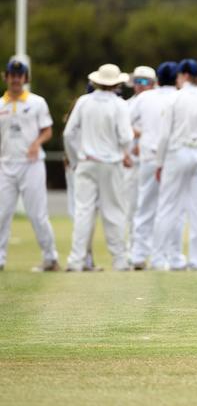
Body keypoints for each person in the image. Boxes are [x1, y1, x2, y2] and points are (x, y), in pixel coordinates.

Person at [152, 59, 197, 271]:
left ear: (182, 75)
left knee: (167, 207)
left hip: (177, 152)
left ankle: (159, 259)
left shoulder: (175, 99)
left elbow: (164, 135)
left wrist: (159, 162)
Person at [63, 63, 133, 271]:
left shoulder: (84, 102)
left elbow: (68, 134)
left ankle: (76, 261)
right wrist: (123, 153)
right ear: (116, 84)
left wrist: (76, 159)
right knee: (114, 213)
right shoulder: (119, 104)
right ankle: (119, 261)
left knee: (83, 212)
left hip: (86, 162)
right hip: (111, 164)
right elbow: (126, 137)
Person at [0, 57, 59, 271]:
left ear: (25, 78)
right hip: (5, 165)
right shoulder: (1, 104)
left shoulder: (37, 102)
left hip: (32, 164)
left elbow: (48, 130)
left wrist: (36, 143)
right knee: (1, 214)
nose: (16, 79)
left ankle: (50, 258)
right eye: (12, 75)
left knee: (37, 214)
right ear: (6, 77)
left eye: (19, 76)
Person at [129, 62, 181, 270]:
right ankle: (172, 256)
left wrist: (139, 137)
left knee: (145, 209)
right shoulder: (181, 97)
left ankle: (139, 256)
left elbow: (124, 122)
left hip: (150, 158)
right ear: (177, 79)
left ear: (157, 80)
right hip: (173, 160)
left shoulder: (144, 98)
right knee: (173, 210)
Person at [124, 66, 157, 250]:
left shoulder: (159, 103)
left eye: (143, 82)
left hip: (152, 161)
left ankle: (151, 248)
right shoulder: (127, 105)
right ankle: (132, 248)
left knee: (154, 208)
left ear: (152, 84)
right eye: (136, 82)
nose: (139, 86)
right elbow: (122, 127)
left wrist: (143, 140)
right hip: (132, 164)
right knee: (131, 207)